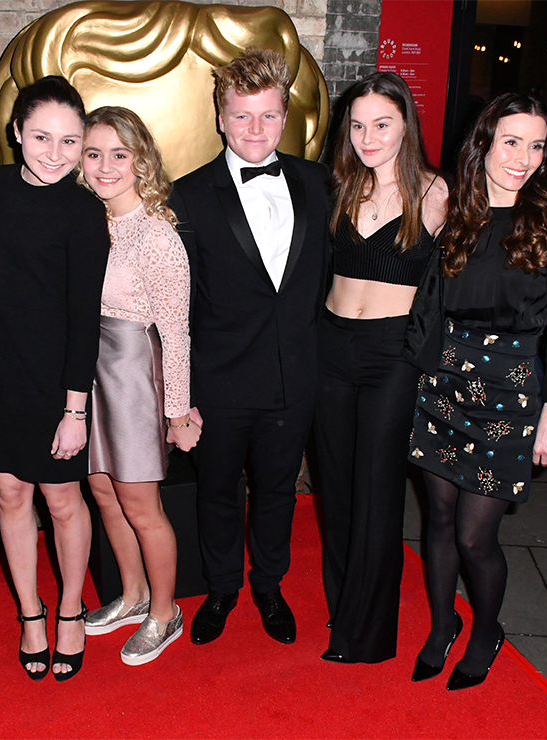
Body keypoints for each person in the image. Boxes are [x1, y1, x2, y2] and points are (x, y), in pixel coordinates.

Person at [407, 93, 547, 690]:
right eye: (511, 141)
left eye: (537, 145)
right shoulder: (458, 211)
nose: (524, 158)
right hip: (444, 380)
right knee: (436, 517)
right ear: (483, 142)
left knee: (473, 533)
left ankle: (486, 630)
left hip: (511, 389)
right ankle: (442, 625)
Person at [0, 76, 110, 682]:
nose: (56, 153)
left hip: (54, 379)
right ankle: (31, 612)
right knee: (9, 494)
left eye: (71, 141)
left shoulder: (84, 211)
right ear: (16, 132)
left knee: (63, 500)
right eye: (42, 136)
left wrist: (75, 409)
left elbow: (83, 317)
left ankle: (69, 610)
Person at [169, 48, 329, 647]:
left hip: (295, 377)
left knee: (279, 490)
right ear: (219, 116)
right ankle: (221, 588)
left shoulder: (319, 183)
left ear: (285, 114)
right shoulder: (186, 195)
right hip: (219, 380)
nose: (254, 129)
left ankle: (269, 585)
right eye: (241, 116)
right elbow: (175, 309)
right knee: (216, 491)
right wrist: (179, 396)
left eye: (266, 116)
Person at [311, 72, 447, 665]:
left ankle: (365, 634)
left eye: (382, 124)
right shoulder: (338, 185)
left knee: (377, 488)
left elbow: (460, 281)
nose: (368, 137)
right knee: (335, 486)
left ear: (405, 125)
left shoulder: (436, 193)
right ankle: (344, 602)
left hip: (393, 354)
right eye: (359, 125)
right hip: (330, 345)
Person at [78, 107, 200, 665]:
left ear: (141, 159)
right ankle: (132, 595)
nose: (105, 166)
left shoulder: (157, 236)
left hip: (131, 374)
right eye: (94, 152)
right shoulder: (83, 221)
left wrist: (178, 411)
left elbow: (176, 332)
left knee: (139, 500)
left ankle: (165, 611)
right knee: (101, 489)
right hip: (87, 369)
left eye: (119, 154)